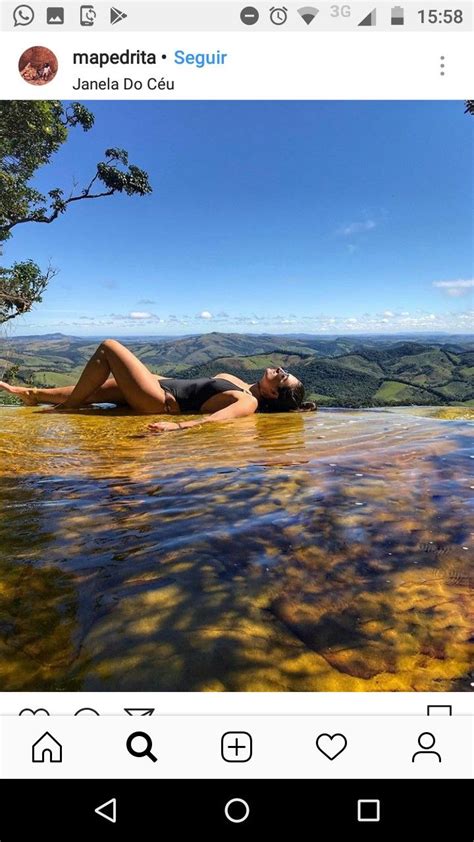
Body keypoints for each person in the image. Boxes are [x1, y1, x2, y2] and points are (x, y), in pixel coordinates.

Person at [0, 339, 316, 432]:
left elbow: (214, 420)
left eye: (283, 375)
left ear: (273, 393)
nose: (280, 368)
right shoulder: (245, 385)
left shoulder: (250, 402)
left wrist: (175, 428)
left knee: (109, 347)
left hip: (159, 400)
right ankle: (31, 395)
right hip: (157, 384)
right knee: (92, 390)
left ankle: (64, 409)